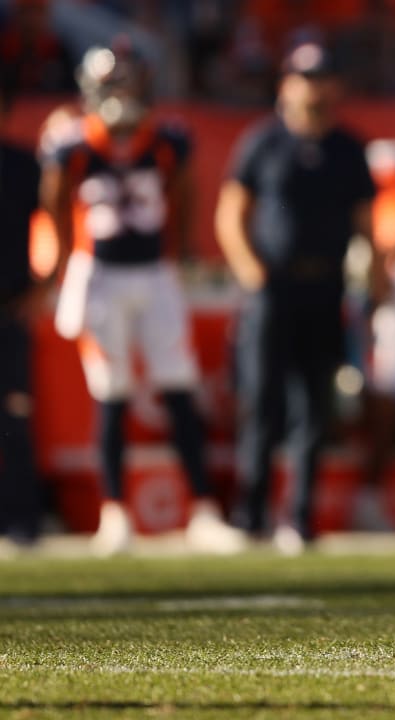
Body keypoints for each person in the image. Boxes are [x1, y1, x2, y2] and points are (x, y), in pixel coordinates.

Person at [42, 40, 245, 556]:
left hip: (154, 273)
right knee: (111, 393)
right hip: (102, 275)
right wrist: (64, 265)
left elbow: (184, 193)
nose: (122, 94)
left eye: (129, 82)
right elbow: (56, 204)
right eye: (113, 84)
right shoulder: (72, 144)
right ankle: (115, 514)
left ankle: (202, 511)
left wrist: (179, 253)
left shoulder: (168, 139)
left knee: (178, 389)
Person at [215, 42, 376, 553]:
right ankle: (251, 513)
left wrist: (371, 280)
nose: (317, 86)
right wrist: (252, 273)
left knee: (315, 404)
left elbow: (364, 226)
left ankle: (300, 516)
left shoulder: (349, 148)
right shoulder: (263, 142)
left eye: (324, 75)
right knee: (261, 401)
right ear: (287, 83)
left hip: (325, 286)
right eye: (308, 76)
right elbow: (231, 213)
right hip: (273, 287)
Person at [0, 69, 43, 547]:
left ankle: (22, 520)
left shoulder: (22, 165)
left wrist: (42, 285)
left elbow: (56, 222)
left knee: (15, 417)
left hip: (8, 309)